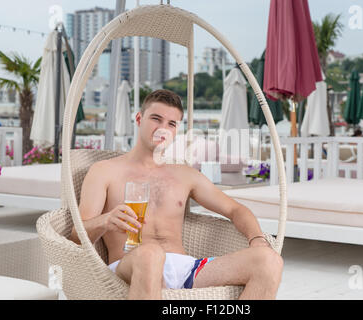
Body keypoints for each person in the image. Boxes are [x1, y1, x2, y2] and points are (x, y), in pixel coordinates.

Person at [69, 89, 283, 300]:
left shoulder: (185, 174)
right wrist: (106, 220)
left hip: (185, 269)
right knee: (151, 253)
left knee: (269, 261)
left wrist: (257, 240)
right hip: (132, 264)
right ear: (139, 119)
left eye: (171, 124)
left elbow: (236, 210)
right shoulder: (104, 171)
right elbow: (76, 236)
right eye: (156, 119)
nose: (163, 129)